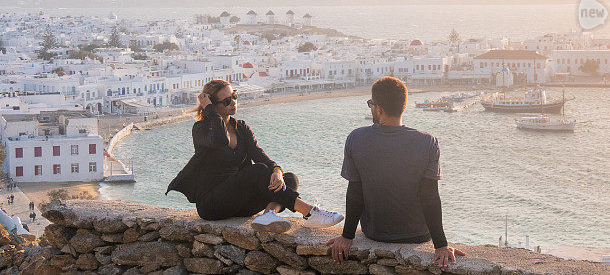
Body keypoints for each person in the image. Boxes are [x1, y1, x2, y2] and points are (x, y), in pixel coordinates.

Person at [167, 79, 343, 232]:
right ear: (213, 105)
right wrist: (210, 112)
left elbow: (259, 155)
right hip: (212, 204)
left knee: (288, 179)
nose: (233, 102)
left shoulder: (241, 127)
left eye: (234, 96)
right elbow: (220, 140)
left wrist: (277, 171)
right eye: (227, 101)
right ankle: (310, 212)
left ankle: (269, 215)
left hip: (239, 203)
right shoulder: (201, 129)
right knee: (258, 171)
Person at [328, 77, 464, 268]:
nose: (371, 109)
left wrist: (347, 236)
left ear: (379, 108)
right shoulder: (428, 142)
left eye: (371, 104)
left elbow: (355, 192)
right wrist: (441, 245)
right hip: (418, 235)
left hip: (375, 233)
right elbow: (430, 196)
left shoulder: (356, 139)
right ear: (403, 106)